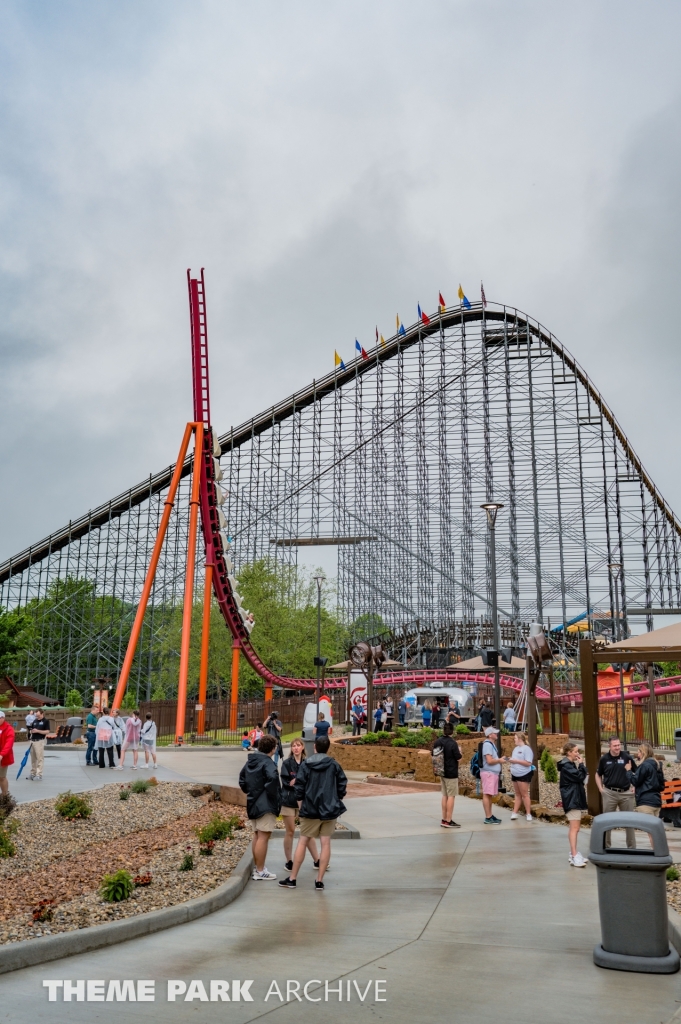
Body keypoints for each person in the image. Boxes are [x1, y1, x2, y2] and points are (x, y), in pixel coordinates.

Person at [279, 734, 347, 891]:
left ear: (314, 747)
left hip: (310, 809)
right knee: (325, 843)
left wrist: (301, 805)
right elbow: (342, 784)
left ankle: (293, 878)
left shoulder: (306, 764)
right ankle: (319, 880)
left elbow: (299, 787)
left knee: (303, 841)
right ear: (328, 748)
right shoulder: (334, 765)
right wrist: (336, 799)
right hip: (329, 810)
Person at [239, 734, 281, 881]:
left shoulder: (251, 761)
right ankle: (260, 870)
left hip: (252, 802)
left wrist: (251, 791)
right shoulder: (268, 763)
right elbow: (273, 779)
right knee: (264, 836)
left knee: (257, 835)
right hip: (265, 804)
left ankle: (258, 867)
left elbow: (242, 779)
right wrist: (272, 795)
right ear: (272, 748)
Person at [279, 737, 319, 871]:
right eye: (293, 745)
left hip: (304, 801)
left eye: (298, 745)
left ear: (302, 747)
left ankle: (317, 860)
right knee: (290, 831)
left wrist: (296, 780)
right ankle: (289, 861)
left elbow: (310, 781)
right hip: (289, 801)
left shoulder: (308, 763)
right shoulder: (287, 763)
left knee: (307, 832)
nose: (296, 748)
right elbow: (286, 782)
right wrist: (298, 781)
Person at [596, 735, 636, 849]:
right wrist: (600, 788)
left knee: (629, 821)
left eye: (619, 745)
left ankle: (632, 848)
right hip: (609, 793)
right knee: (607, 821)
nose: (618, 748)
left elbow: (637, 773)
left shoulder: (627, 757)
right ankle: (606, 847)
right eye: (615, 746)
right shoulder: (604, 759)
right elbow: (598, 774)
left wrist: (635, 785)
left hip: (626, 794)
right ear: (609, 746)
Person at [558, 742, 588, 867]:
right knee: (575, 828)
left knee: (575, 828)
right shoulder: (567, 766)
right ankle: (574, 855)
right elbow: (580, 777)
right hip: (572, 800)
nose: (577, 754)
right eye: (575, 751)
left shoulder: (569, 764)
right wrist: (582, 765)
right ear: (569, 752)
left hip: (573, 799)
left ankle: (573, 853)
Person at [433, 722, 462, 827]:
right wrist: (460, 751)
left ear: (443, 731)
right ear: (452, 731)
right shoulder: (453, 743)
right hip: (451, 772)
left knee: (444, 795)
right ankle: (449, 820)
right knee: (451, 796)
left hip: (441, 771)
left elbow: (434, 754)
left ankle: (444, 819)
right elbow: (459, 758)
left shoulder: (437, 742)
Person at [631, 742, 665, 817]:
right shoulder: (657, 765)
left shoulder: (645, 765)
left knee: (647, 827)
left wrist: (628, 772)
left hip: (645, 803)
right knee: (653, 828)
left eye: (639, 752)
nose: (638, 755)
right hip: (656, 802)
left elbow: (635, 781)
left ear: (643, 753)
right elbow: (662, 786)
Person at [508, 731, 535, 821]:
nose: (514, 740)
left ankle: (528, 813)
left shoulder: (526, 749)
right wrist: (511, 762)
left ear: (519, 739)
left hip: (523, 773)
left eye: (515, 738)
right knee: (517, 794)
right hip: (515, 773)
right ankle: (515, 812)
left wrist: (516, 761)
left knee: (524, 794)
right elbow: (515, 760)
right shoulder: (515, 749)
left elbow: (528, 763)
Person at [481, 726, 505, 824]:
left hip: (491, 773)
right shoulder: (487, 745)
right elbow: (489, 761)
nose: (496, 734)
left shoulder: (491, 744)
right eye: (495, 733)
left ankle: (490, 815)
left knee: (489, 794)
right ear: (490, 735)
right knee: (487, 794)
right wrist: (500, 760)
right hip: (489, 773)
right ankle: (488, 817)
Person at [28, 709, 50, 781]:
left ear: (42, 713)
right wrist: (31, 731)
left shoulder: (45, 721)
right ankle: (33, 773)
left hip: (39, 741)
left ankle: (39, 774)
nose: (37, 717)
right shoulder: (35, 721)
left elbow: (47, 731)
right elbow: (31, 730)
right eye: (36, 716)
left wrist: (38, 731)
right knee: (33, 758)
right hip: (32, 741)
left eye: (39, 715)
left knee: (39, 758)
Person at [0, 710, 15, 797]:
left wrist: (2, 754)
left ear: (3, 718)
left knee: (2, 777)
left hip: (3, 756)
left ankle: (5, 795)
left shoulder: (8, 729)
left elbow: (8, 744)